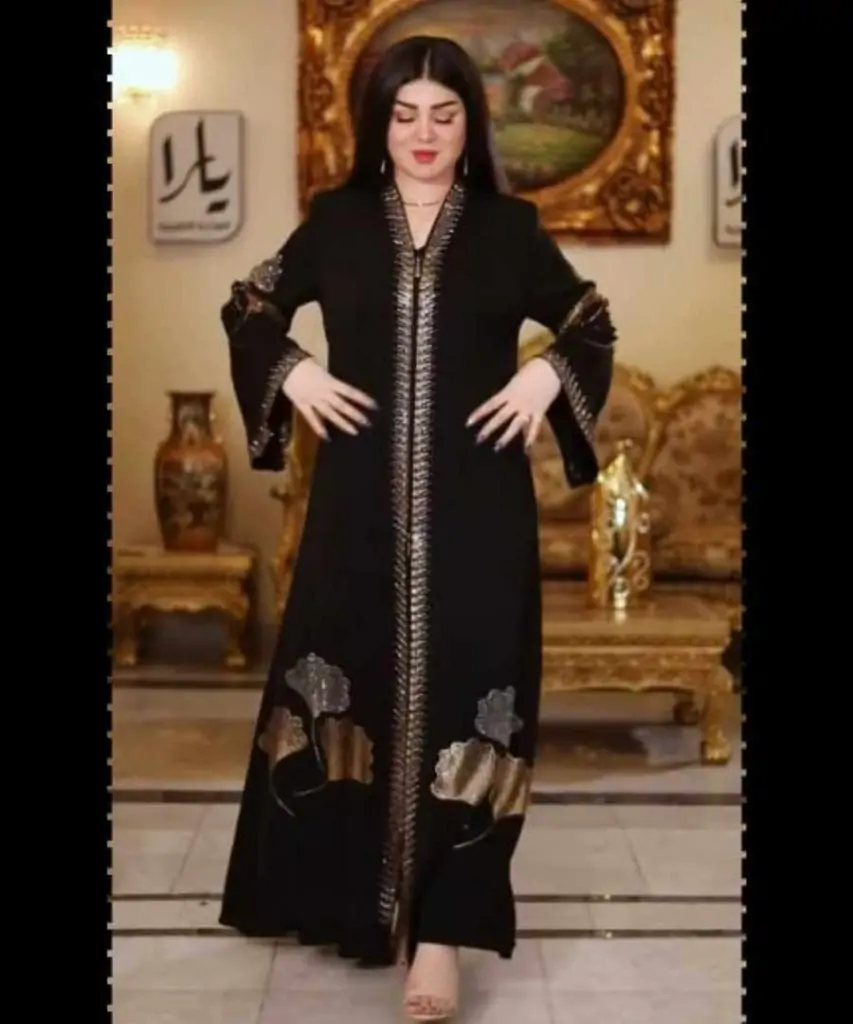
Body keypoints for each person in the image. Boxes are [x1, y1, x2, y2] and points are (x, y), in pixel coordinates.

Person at [219, 35, 616, 1022]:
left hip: (480, 512)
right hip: (355, 511)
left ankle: (440, 932)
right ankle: (353, 902)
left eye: (444, 114)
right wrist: (292, 371)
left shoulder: (509, 230)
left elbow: (589, 320)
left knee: (469, 697)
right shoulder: (338, 223)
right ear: (379, 124)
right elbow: (250, 304)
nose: (424, 134)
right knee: (345, 679)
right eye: (405, 115)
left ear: (470, 124)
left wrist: (544, 373)